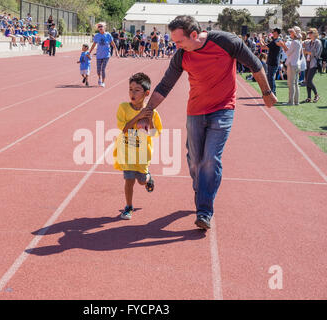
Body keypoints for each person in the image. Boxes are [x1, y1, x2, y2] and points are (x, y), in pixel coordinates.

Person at [140, 15, 276, 230]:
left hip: (223, 110)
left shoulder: (226, 42)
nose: (176, 46)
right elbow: (165, 85)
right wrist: (147, 111)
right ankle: (201, 187)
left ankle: (204, 210)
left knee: (211, 159)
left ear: (194, 35)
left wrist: (266, 92)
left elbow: (255, 64)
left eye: (179, 41)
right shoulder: (181, 56)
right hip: (195, 111)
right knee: (195, 161)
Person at [114, 73, 162, 220]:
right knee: (129, 180)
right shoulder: (123, 107)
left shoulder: (152, 112)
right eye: (130, 89)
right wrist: (139, 116)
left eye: (136, 90)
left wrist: (149, 118)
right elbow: (124, 129)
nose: (132, 93)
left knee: (141, 181)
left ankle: (148, 178)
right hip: (126, 151)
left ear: (146, 93)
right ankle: (128, 207)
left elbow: (154, 133)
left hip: (142, 154)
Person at [89, 22, 119, 87]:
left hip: (106, 55)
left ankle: (103, 82)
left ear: (104, 27)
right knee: (98, 70)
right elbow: (94, 45)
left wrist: (116, 50)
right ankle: (99, 78)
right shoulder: (97, 36)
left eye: (101, 26)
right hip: (99, 55)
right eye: (99, 27)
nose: (100, 28)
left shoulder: (108, 35)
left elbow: (112, 43)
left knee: (103, 69)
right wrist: (89, 52)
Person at [279, 26, 303, 106]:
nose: (290, 34)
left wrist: (283, 46)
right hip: (296, 64)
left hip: (292, 65)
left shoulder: (295, 42)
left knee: (291, 84)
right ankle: (296, 101)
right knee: (295, 84)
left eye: (291, 32)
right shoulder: (298, 41)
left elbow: (288, 53)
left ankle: (291, 102)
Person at [260, 28, 282, 96]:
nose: (272, 32)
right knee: (270, 77)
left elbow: (263, 47)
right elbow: (266, 46)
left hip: (273, 61)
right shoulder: (275, 41)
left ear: (277, 33)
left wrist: (260, 39)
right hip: (272, 61)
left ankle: (272, 93)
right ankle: (271, 92)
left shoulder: (277, 41)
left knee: (271, 78)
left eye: (274, 31)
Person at [303, 28, 322, 103]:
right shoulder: (308, 42)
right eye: (308, 32)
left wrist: (307, 52)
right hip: (307, 62)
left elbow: (316, 53)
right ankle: (309, 97)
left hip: (314, 63)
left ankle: (316, 95)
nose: (309, 33)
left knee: (309, 80)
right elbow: (303, 47)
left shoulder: (318, 42)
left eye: (311, 32)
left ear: (315, 33)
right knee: (307, 81)